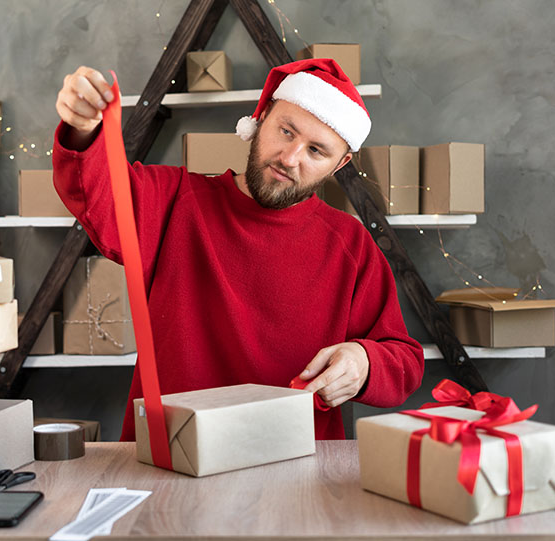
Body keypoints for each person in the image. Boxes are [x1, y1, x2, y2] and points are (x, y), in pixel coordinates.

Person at [51, 58, 424, 440]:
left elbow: (404, 360)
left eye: (316, 151)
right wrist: (83, 129)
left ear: (339, 164)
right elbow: (96, 190)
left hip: (296, 465)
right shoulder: (175, 201)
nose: (290, 158)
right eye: (285, 131)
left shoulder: (351, 244)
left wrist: (364, 362)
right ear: (260, 118)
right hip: (173, 456)